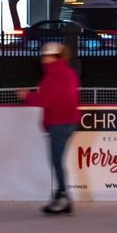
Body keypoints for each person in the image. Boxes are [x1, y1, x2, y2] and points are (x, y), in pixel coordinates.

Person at [19, 42, 81, 214]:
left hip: (59, 123)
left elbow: (45, 100)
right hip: (69, 122)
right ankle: (62, 196)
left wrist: (27, 96)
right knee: (57, 161)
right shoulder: (69, 73)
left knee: (56, 161)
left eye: (47, 56)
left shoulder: (53, 75)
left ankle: (62, 196)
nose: (44, 59)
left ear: (54, 57)